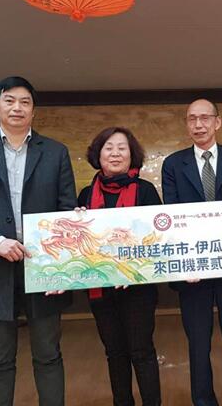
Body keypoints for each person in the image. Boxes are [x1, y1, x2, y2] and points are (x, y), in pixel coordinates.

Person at [0, 76, 76, 406]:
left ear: (34, 110)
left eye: (25, 102)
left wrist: (60, 267)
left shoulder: (56, 152)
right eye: (9, 100)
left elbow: (67, 211)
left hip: (44, 269)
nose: (17, 107)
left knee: (49, 355)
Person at [161, 99, 222, 406]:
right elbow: (172, 215)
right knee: (198, 347)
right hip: (194, 269)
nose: (198, 124)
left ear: (217, 122)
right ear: (186, 124)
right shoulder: (173, 164)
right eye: (192, 119)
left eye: (204, 118)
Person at [76, 127, 163, 406]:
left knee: (141, 351)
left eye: (122, 148)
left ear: (131, 154)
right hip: (100, 288)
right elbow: (81, 245)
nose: (115, 153)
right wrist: (77, 222)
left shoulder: (145, 191)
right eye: (109, 148)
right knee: (114, 353)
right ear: (98, 155)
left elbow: (156, 240)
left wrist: (132, 268)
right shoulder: (85, 195)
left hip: (138, 288)